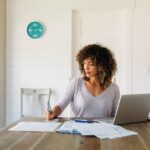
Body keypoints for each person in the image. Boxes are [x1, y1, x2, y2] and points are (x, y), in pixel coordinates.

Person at [44, 44, 120, 120]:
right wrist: (53, 113)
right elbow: (61, 105)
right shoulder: (76, 83)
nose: (86, 67)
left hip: (104, 130)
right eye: (84, 63)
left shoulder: (114, 89)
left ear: (102, 66)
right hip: (80, 128)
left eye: (91, 64)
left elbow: (115, 117)